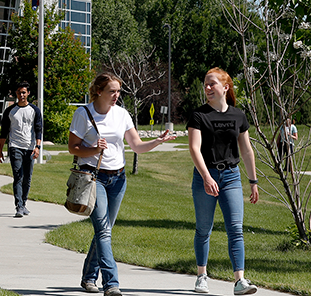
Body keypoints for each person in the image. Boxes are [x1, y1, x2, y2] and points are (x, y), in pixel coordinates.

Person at [68, 73, 175, 296]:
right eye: (112, 91)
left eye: (118, 91)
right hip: (93, 177)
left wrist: (158, 141)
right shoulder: (83, 114)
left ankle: (88, 277)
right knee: (104, 231)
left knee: (104, 230)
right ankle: (112, 284)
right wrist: (94, 150)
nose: (116, 96)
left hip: (118, 179)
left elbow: (136, 146)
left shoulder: (122, 114)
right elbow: (73, 148)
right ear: (99, 91)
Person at [187, 67, 260, 295]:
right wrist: (206, 177)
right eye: (206, 84)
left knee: (235, 229)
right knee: (203, 229)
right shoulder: (199, 115)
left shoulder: (238, 115)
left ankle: (240, 281)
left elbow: (247, 151)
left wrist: (253, 181)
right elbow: (194, 148)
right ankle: (201, 275)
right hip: (205, 176)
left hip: (230, 177)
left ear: (225, 87)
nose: (208, 88)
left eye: (212, 84)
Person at [0, 81, 43, 218]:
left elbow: (39, 130)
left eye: (24, 92)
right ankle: (19, 206)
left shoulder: (34, 110)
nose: (21, 95)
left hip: (29, 148)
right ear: (16, 94)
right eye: (19, 92)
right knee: (18, 176)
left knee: (27, 178)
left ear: (28, 93)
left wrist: (37, 147)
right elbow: (4, 132)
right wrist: (0, 150)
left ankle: (23, 203)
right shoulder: (10, 111)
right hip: (15, 147)